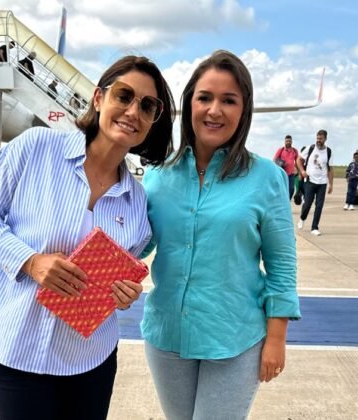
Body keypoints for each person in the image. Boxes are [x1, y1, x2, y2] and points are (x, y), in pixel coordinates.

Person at [0, 55, 175, 420]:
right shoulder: (36, 149)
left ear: (154, 119)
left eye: (147, 105)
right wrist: (30, 260)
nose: (133, 111)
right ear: (98, 98)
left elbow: (117, 278)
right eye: (124, 96)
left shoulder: (137, 203)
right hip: (19, 352)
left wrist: (124, 293)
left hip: (89, 361)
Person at [141, 50, 301, 420]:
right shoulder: (158, 176)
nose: (215, 110)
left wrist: (276, 338)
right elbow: (139, 243)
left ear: (244, 111)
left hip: (235, 336)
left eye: (229, 100)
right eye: (205, 98)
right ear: (189, 104)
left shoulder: (266, 177)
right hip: (168, 335)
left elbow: (281, 264)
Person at [297, 129, 333, 236]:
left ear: (325, 139)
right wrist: (302, 171)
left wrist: (331, 183)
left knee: (319, 205)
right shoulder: (310, 148)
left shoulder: (328, 152)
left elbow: (330, 169)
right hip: (310, 181)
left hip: (322, 183)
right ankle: (302, 218)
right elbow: (299, 160)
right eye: (317, 138)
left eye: (321, 139)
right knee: (307, 204)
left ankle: (314, 227)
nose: (318, 140)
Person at [273, 134, 299, 200]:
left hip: (291, 174)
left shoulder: (295, 151)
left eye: (289, 141)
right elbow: (274, 160)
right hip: (282, 174)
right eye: (287, 141)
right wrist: (281, 163)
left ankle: (287, 201)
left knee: (291, 189)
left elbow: (297, 161)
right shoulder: (281, 150)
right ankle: (282, 202)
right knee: (282, 190)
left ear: (291, 142)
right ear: (284, 142)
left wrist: (297, 169)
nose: (288, 142)